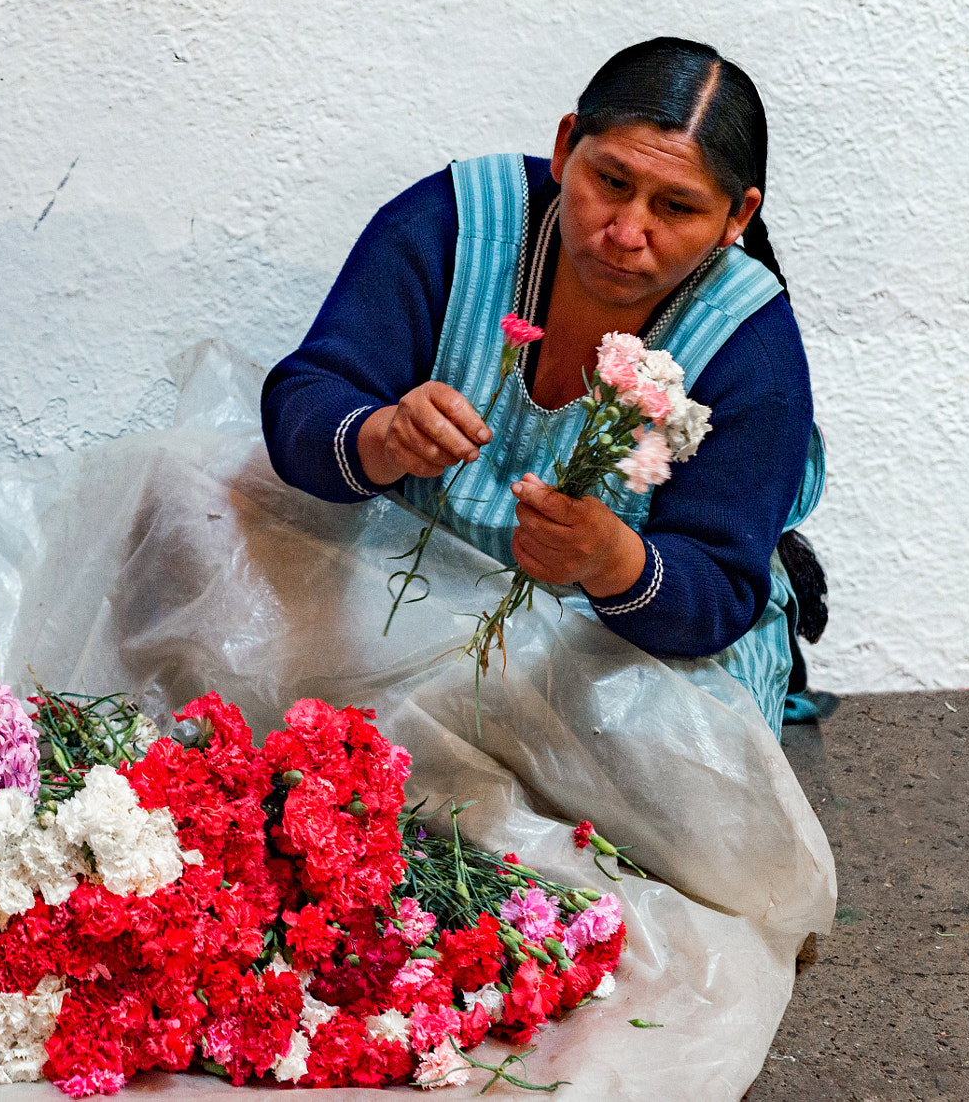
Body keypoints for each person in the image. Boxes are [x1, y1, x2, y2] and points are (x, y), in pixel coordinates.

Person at [261, 38, 826, 736]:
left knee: (673, 786)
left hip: (621, 658)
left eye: (677, 207)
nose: (627, 230)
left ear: (736, 218)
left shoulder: (752, 347)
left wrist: (614, 558)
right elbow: (306, 399)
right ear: (565, 146)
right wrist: (381, 435)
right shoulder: (453, 225)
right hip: (415, 605)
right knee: (185, 507)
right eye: (611, 181)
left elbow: (720, 587)